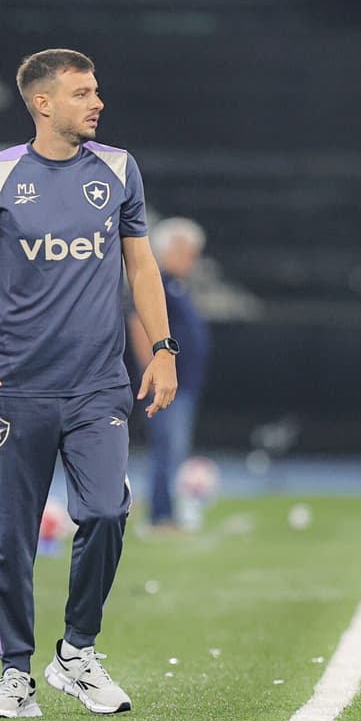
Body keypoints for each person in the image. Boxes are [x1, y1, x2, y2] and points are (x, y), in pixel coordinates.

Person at [0, 48, 178, 719]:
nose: (96, 101)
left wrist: (162, 349)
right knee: (12, 536)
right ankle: (14, 674)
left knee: (106, 511)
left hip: (97, 386)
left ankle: (76, 652)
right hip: (13, 386)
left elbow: (142, 268)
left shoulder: (118, 169)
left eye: (96, 89)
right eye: (82, 92)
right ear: (43, 103)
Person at [128, 218, 211, 530]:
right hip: (167, 384)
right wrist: (151, 369)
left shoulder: (175, 285)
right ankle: (160, 516)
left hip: (184, 382)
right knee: (168, 448)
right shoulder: (158, 282)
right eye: (188, 252)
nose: (193, 259)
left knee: (174, 449)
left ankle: (165, 511)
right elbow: (137, 322)